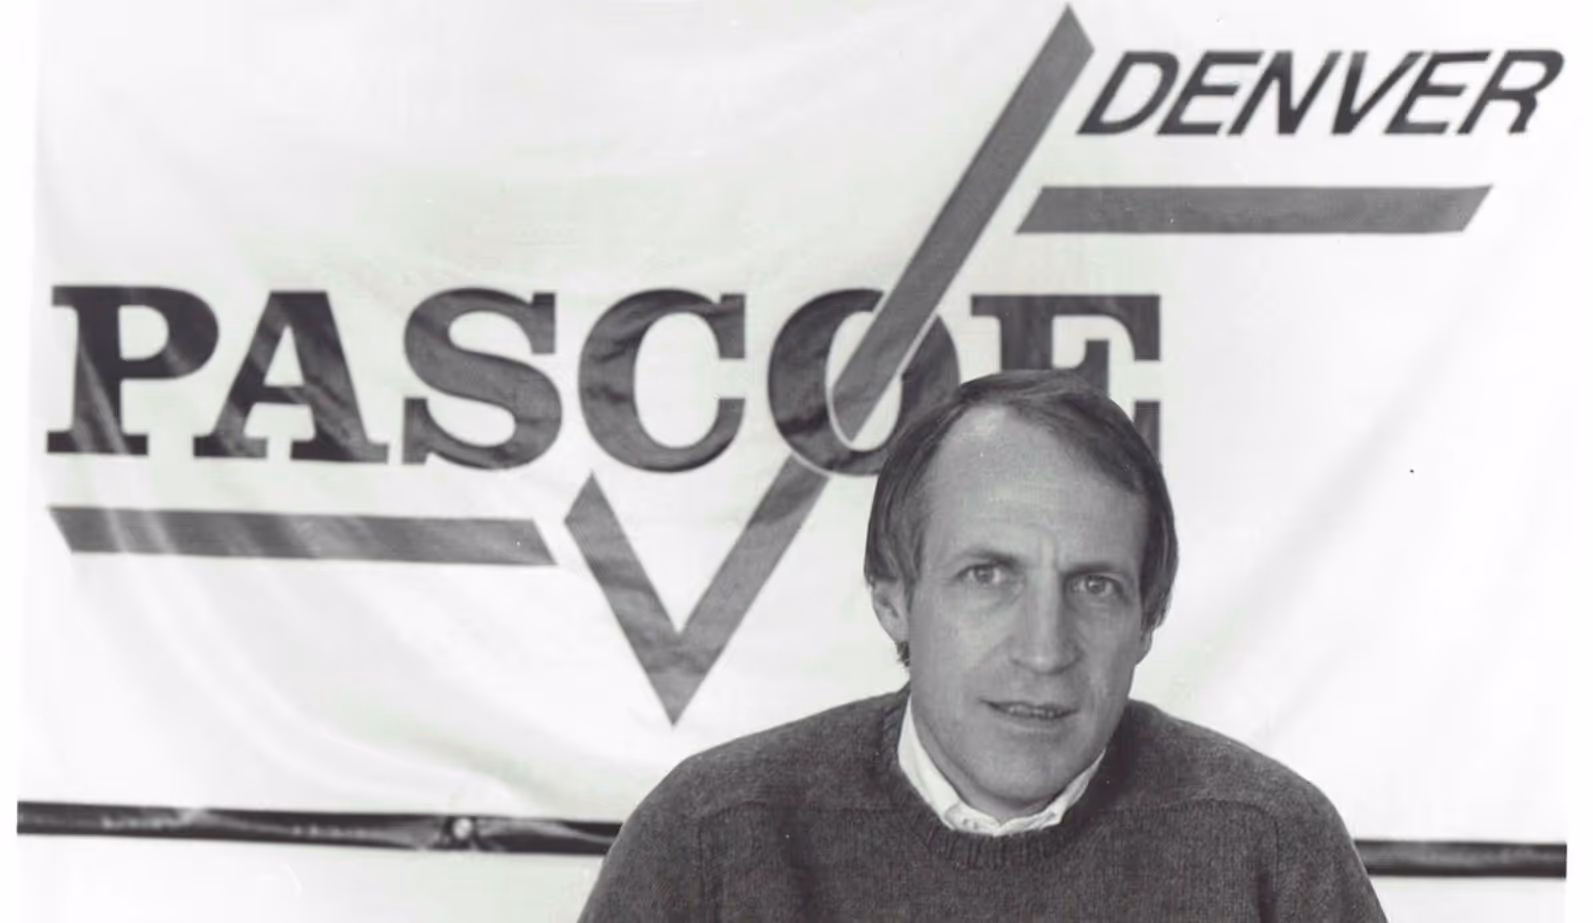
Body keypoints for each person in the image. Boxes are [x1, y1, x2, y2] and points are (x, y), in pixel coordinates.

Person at [579, 370, 1386, 921]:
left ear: (1149, 618)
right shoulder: (712, 835)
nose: (1043, 649)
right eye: (988, 575)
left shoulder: (1266, 846)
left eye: (1094, 585)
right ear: (892, 597)